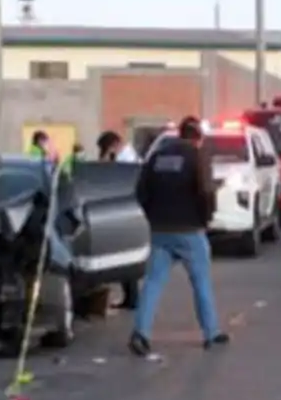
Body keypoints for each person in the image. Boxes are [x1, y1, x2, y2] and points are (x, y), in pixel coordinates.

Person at [129, 116, 229, 355]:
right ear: (198, 138)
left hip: (160, 230)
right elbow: (205, 191)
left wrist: (152, 217)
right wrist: (205, 219)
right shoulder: (196, 156)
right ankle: (211, 332)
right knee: (201, 282)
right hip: (189, 230)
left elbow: (140, 192)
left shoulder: (156, 157)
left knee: (153, 283)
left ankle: (140, 333)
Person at [96, 130, 140, 311]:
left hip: (126, 212)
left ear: (113, 145)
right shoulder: (126, 157)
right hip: (126, 211)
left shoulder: (125, 159)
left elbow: (107, 175)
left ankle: (132, 298)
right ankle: (130, 297)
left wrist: (106, 158)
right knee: (124, 257)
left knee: (126, 257)